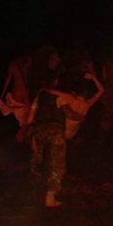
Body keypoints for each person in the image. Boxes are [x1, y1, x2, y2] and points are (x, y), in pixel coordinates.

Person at [25, 69, 71, 207]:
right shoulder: (59, 96)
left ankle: (32, 193)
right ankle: (50, 198)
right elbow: (69, 113)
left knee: (37, 160)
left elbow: (29, 119)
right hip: (55, 130)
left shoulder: (39, 96)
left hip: (39, 130)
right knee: (57, 163)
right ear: (56, 81)